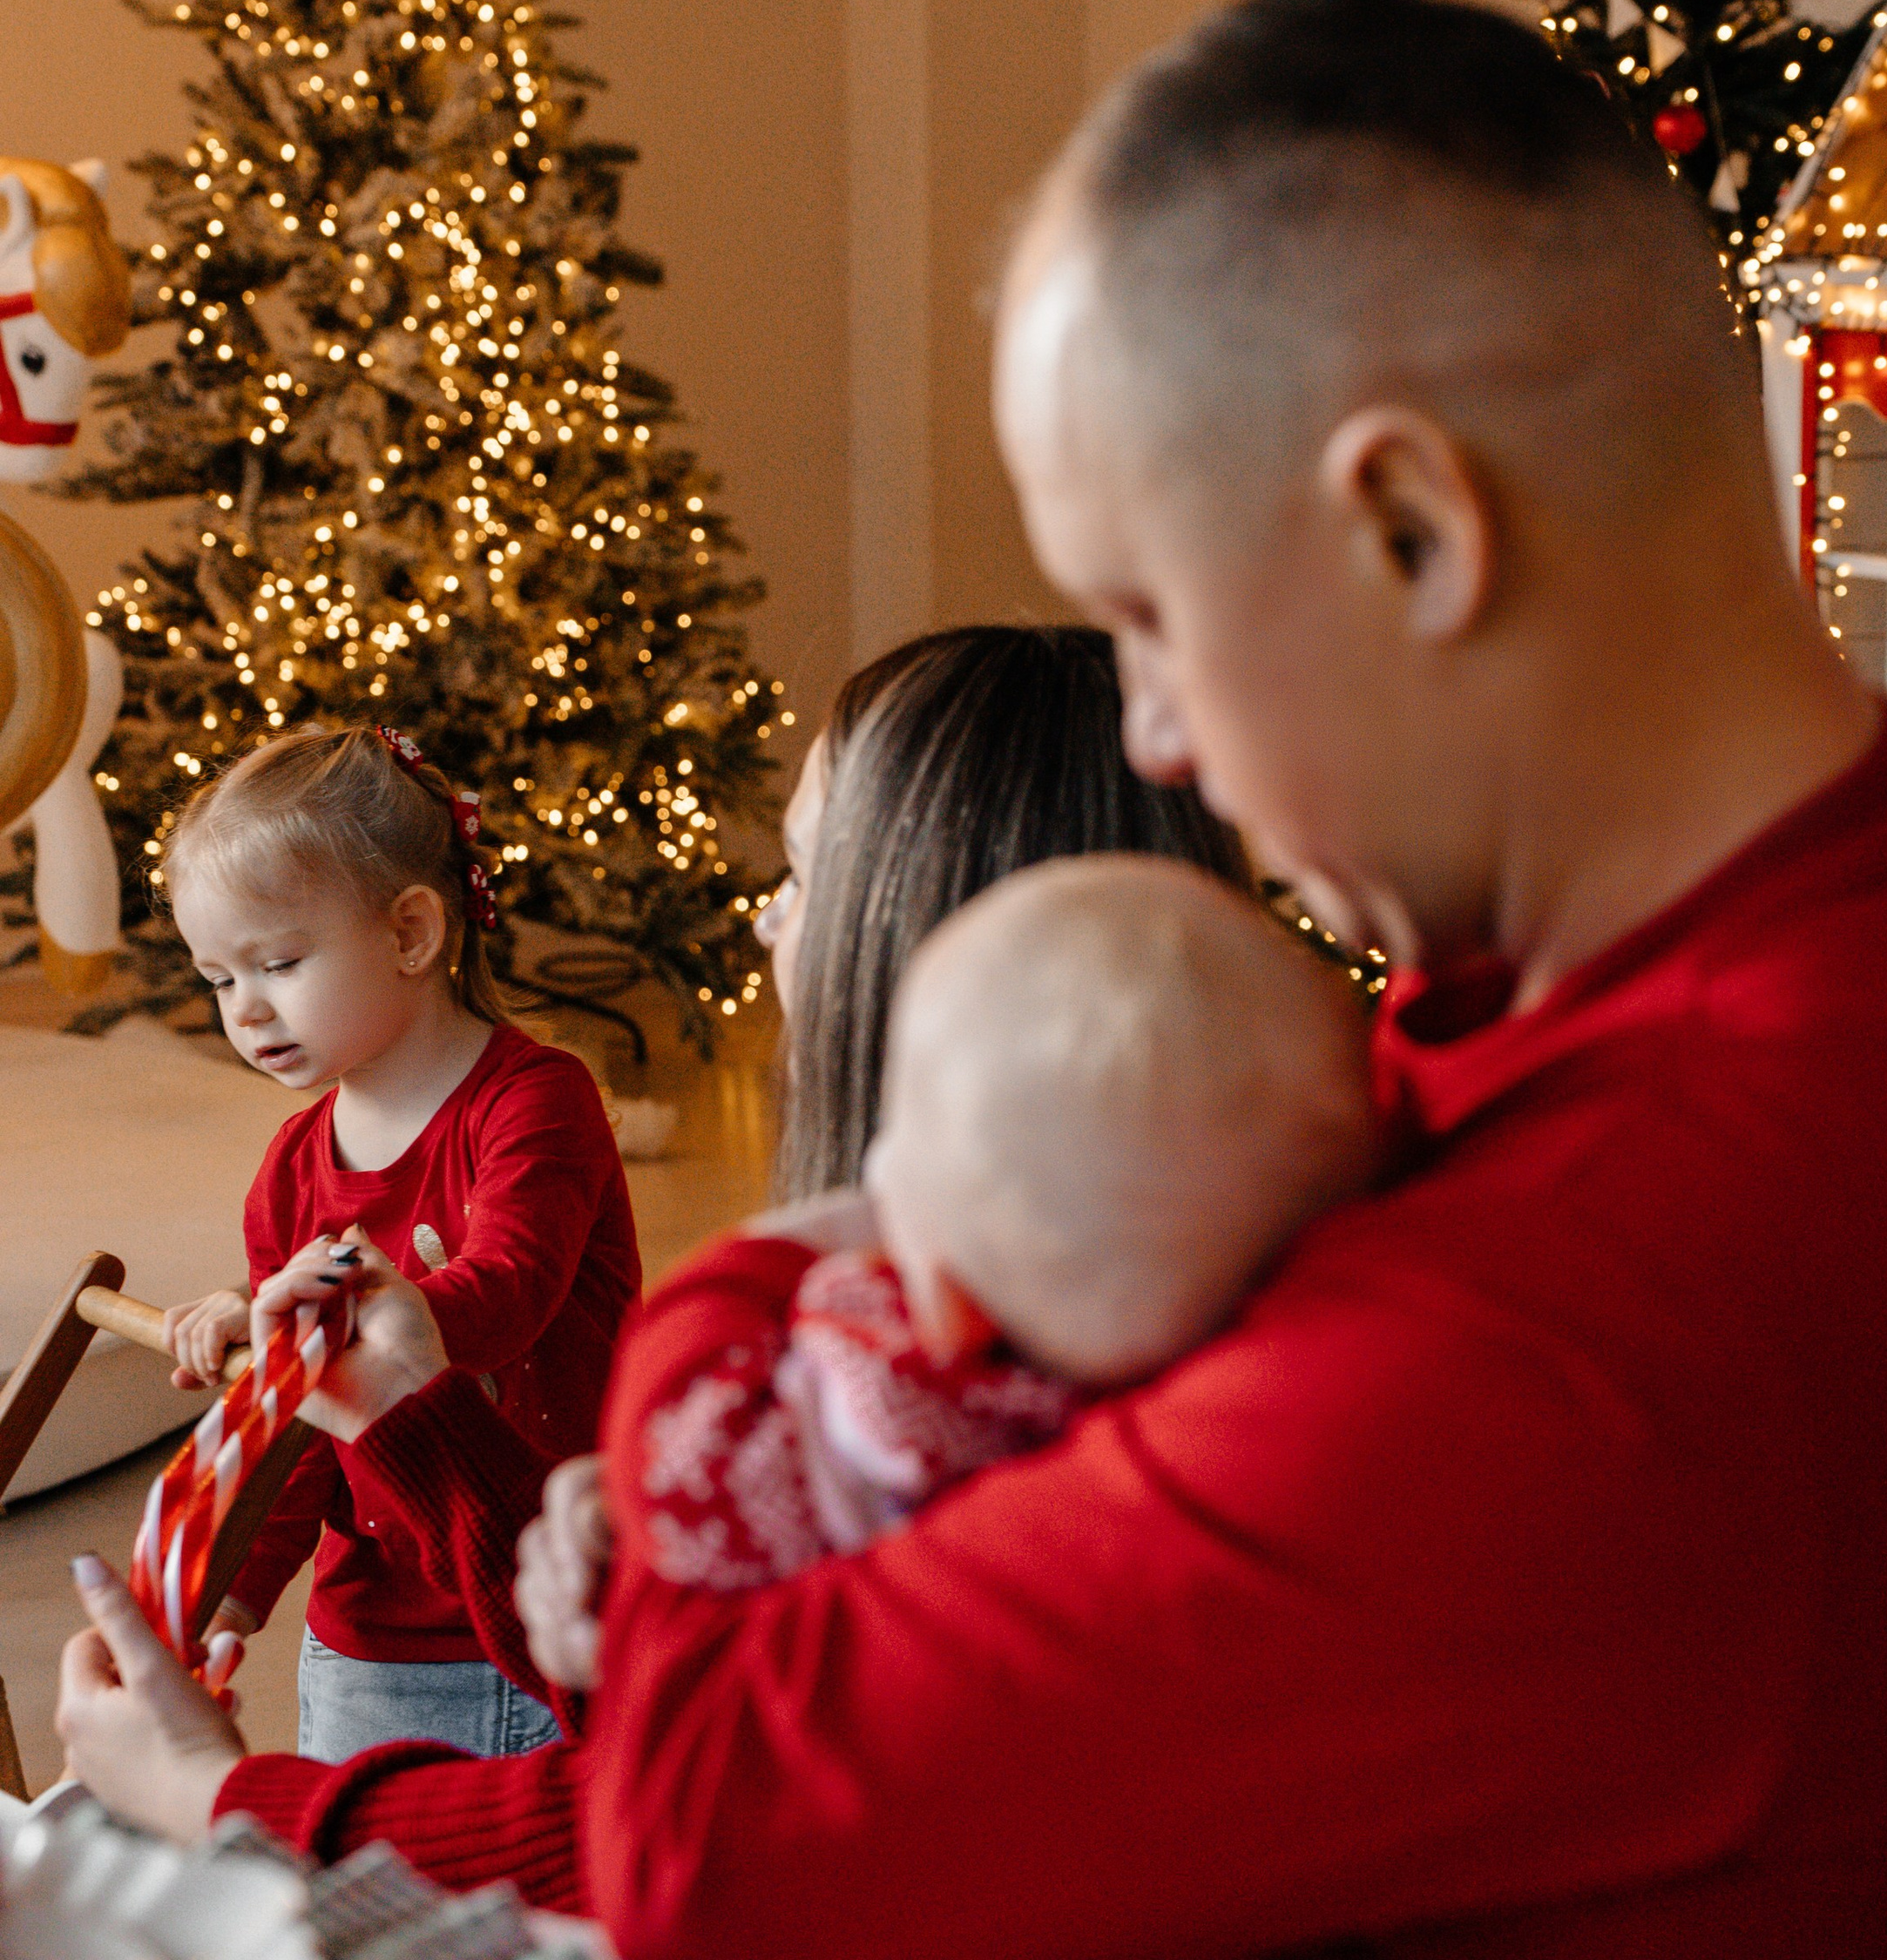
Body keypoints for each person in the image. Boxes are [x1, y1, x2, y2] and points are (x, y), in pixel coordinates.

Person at [62, 0, 1887, 1960]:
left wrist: (793, 1255)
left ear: (1415, 528)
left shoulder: (1618, 1297)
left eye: (1162, 621)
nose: (1165, 747)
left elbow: (699, 1823)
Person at [60, 626, 1249, 1882]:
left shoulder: (920, 1371)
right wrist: (232, 1588)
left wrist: (221, 1798)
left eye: (800, 873)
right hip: (411, 1636)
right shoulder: (879, 1302)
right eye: (216, 977)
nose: (764, 919)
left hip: (529, 1668)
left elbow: (686, 1818)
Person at [610, 857, 1379, 1606]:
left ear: (953, 1308)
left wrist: (765, 1256)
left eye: (900, 1128)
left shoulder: (880, 1417)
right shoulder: (1201, 1455)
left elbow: (664, 1435)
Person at [155, 720, 638, 1760]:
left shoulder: (536, 1100)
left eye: (277, 962)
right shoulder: (291, 1168)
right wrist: (233, 1593)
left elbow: (515, 1290)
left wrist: (388, 1311)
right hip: (368, 1647)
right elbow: (300, 1424)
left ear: (413, 933)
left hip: (548, 1610)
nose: (244, 1010)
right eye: (217, 978)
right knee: (364, 1904)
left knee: (547, 1900)